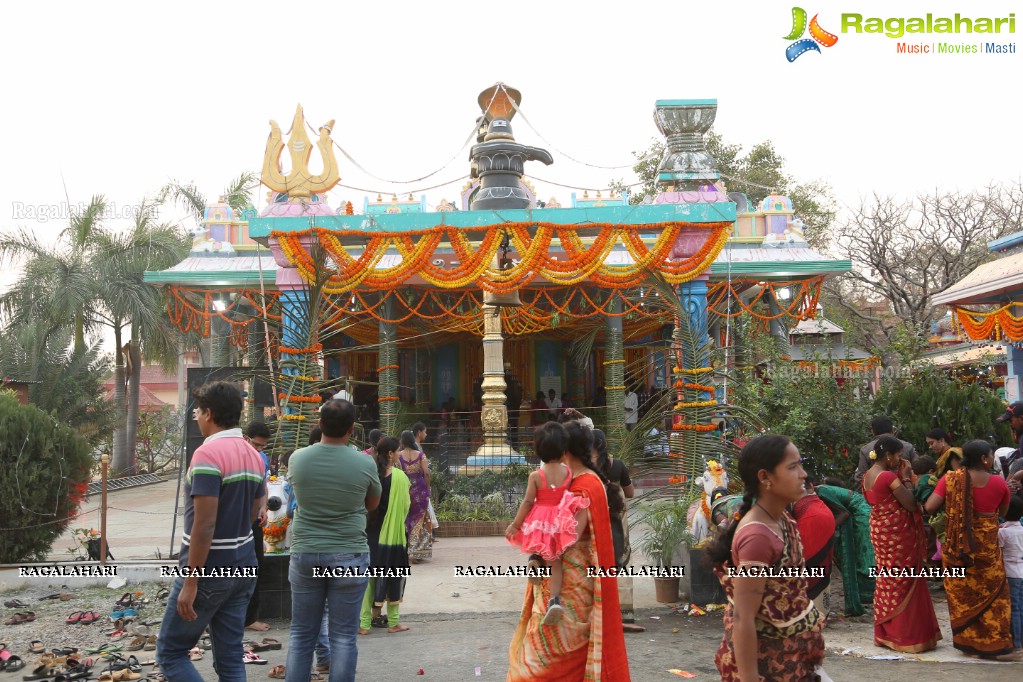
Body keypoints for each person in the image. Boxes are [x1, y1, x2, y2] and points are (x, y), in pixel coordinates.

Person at [156, 381, 266, 682]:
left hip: (209, 570)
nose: (195, 416)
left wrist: (191, 581)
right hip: (243, 565)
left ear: (210, 413)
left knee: (170, 653)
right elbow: (258, 507)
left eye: (198, 410)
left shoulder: (208, 455)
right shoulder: (253, 454)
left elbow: (204, 524)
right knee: (230, 657)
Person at [507, 421, 630, 681]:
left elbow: (570, 536)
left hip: (571, 583)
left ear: (565, 450)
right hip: (571, 578)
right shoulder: (579, 480)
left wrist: (538, 548)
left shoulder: (582, 485)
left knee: (551, 648)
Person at [707, 435, 826, 681]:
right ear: (764, 477)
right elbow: (743, 617)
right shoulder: (758, 537)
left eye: (800, 464)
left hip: (793, 660)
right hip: (770, 665)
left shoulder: (781, 518)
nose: (803, 474)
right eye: (793, 467)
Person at [286, 399, 382, 682]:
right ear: (352, 429)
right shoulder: (364, 462)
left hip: (306, 552)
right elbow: (373, 503)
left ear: (319, 424)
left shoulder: (298, 458)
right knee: (343, 638)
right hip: (348, 553)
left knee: (302, 635)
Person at [925, 439, 1022, 660]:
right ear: (984, 459)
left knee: (963, 595)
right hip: (986, 549)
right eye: (989, 456)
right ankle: (996, 646)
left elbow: (930, 506)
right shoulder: (998, 483)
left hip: (958, 548)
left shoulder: (950, 479)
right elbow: (1004, 512)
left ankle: (970, 645)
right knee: (995, 595)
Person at [862, 435, 942, 653]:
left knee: (887, 578)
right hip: (897, 535)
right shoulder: (888, 476)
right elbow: (909, 503)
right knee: (904, 579)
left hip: (880, 531)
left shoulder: (868, 475)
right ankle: (906, 635)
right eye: (898, 455)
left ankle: (886, 634)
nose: (900, 459)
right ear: (888, 456)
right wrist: (907, 478)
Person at [505, 422, 587, 624]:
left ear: (538, 450)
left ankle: (534, 561)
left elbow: (527, 502)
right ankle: (554, 601)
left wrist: (515, 524)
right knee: (556, 560)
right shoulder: (568, 473)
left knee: (539, 547)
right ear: (563, 451)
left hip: (539, 519)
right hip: (559, 519)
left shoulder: (536, 476)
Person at [592, 428, 644, 634]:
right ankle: (624, 613)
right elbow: (629, 492)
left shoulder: (587, 469)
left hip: (594, 518)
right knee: (621, 560)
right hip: (617, 521)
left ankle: (598, 611)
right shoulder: (618, 466)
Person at [360, 436, 412, 635]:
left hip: (372, 534)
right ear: (390, 454)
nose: (400, 454)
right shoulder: (400, 478)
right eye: (398, 451)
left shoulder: (371, 475)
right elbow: (406, 507)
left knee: (369, 579)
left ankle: (364, 624)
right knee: (393, 576)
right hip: (394, 538)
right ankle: (393, 623)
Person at [790, 483, 837, 625]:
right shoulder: (818, 498)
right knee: (820, 565)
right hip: (825, 517)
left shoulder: (789, 493)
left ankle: (806, 614)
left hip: (812, 520)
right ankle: (819, 612)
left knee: (806, 567)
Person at [243, 421, 272, 634]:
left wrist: (263, 507)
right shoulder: (235, 456)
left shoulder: (261, 459)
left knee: (256, 566)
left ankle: (249, 617)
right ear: (246, 437)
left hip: (254, 522)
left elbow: (263, 487)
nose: (259, 450)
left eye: (262, 446)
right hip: (234, 523)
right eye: (256, 445)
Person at [854, 415, 918, 487]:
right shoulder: (907, 446)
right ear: (892, 430)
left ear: (873, 432)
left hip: (877, 494)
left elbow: (860, 477)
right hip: (906, 490)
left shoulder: (866, 450)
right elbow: (919, 469)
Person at [398, 430, 432, 562]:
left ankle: (407, 550)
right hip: (420, 489)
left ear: (402, 441)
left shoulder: (399, 455)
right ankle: (416, 551)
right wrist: (428, 488)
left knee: (408, 519)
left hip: (406, 489)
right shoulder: (420, 455)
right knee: (421, 519)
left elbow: (399, 472)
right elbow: (427, 472)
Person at [999, 495, 1023, 650]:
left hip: (1010, 573)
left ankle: (1016, 642)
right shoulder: (1021, 530)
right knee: (1020, 606)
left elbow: (999, 554)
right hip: (1021, 571)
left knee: (1013, 607)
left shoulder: (1002, 533)